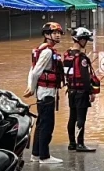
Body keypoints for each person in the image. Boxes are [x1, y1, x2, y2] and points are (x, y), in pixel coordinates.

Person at [24, 22, 65, 164]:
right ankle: (44, 156)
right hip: (46, 93)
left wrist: (31, 87)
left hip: (42, 92)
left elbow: (32, 70)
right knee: (47, 125)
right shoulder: (47, 52)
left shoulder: (40, 49)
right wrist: (32, 88)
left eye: (59, 32)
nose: (58, 35)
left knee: (41, 123)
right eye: (55, 33)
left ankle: (36, 154)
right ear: (47, 35)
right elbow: (35, 72)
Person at [63, 27, 99, 152]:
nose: (86, 43)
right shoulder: (82, 58)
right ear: (80, 40)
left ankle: (72, 143)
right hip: (81, 92)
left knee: (72, 117)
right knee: (81, 118)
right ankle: (80, 144)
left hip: (71, 91)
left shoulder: (67, 55)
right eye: (85, 40)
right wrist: (91, 92)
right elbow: (85, 77)